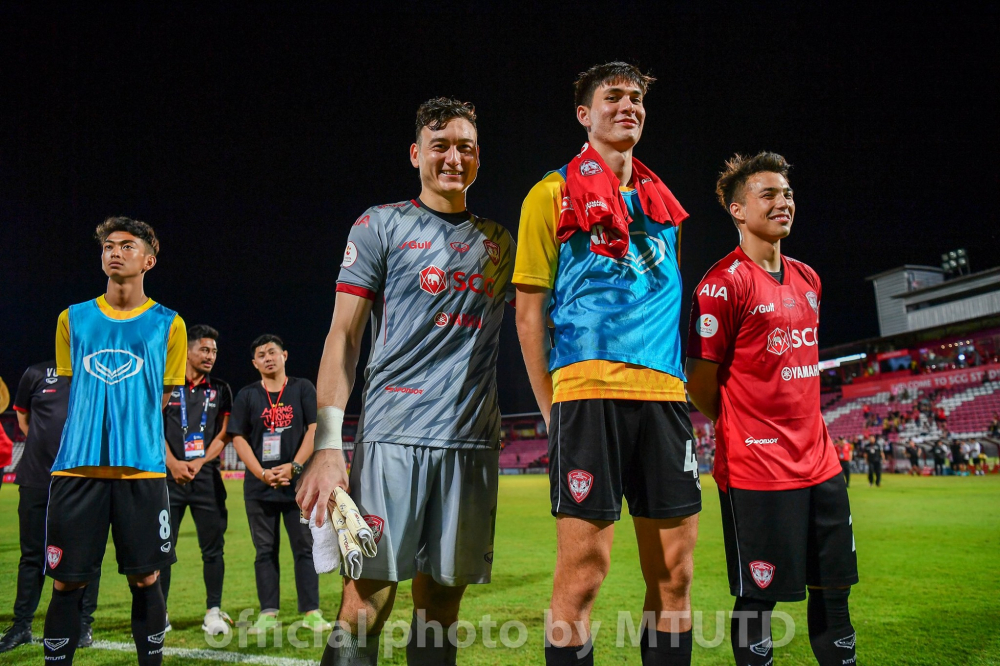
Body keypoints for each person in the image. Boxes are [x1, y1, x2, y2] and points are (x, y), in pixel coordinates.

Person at [295, 96, 516, 665]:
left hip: (470, 442)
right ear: (417, 153)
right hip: (392, 436)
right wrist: (327, 445)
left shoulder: (501, 244)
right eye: (440, 145)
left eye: (465, 147)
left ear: (478, 157)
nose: (453, 157)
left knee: (441, 609)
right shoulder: (380, 224)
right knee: (366, 601)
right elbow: (342, 337)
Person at [514, 62, 700, 666]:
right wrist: (552, 411)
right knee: (584, 576)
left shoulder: (664, 206)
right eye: (613, 97)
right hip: (587, 395)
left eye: (638, 97)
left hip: (665, 399)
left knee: (675, 577)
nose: (629, 106)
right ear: (583, 115)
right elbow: (528, 316)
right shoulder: (549, 193)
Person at [686, 152, 859, 666]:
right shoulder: (721, 285)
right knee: (758, 598)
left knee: (835, 588)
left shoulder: (809, 279)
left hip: (821, 463)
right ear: (738, 210)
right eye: (769, 194)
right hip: (757, 469)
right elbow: (700, 382)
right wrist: (745, 425)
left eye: (786, 193)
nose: (783, 202)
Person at [42, 217, 187, 666]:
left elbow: (159, 399)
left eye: (126, 245)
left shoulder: (170, 324)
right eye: (108, 246)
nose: (115, 252)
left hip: (140, 471)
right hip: (75, 470)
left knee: (146, 580)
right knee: (67, 582)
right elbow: (73, 389)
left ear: (150, 259)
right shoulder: (73, 318)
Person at [229, 334, 329, 634]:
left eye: (272, 352)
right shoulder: (247, 395)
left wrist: (295, 466)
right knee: (264, 551)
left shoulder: (302, 388)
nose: (267, 357)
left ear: (285, 355)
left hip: (299, 486)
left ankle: (311, 611)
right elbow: (237, 437)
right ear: (254, 363)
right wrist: (261, 472)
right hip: (260, 489)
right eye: (261, 354)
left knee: (305, 548)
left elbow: (315, 427)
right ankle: (268, 613)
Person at [0, 362, 101, 654]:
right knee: (31, 555)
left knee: (86, 555)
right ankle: (21, 625)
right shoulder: (35, 373)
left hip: (82, 480)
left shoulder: (96, 370)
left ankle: (83, 624)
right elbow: (23, 418)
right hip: (37, 478)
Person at [160, 325, 234, 635]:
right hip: (167, 478)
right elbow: (151, 426)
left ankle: (213, 612)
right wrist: (174, 463)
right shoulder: (165, 385)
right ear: (187, 350)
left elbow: (224, 433)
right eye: (205, 349)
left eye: (214, 351)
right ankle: (158, 613)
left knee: (213, 550)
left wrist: (199, 461)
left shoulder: (221, 388)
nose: (211, 356)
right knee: (162, 549)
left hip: (206, 479)